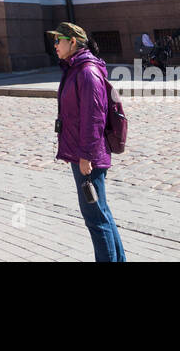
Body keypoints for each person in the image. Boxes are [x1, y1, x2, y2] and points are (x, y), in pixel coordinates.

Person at [51, 22, 125, 262]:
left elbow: (94, 118)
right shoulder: (74, 68)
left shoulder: (86, 72)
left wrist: (86, 156)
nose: (55, 45)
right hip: (82, 153)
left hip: (88, 157)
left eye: (58, 40)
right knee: (100, 213)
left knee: (95, 217)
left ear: (72, 41)